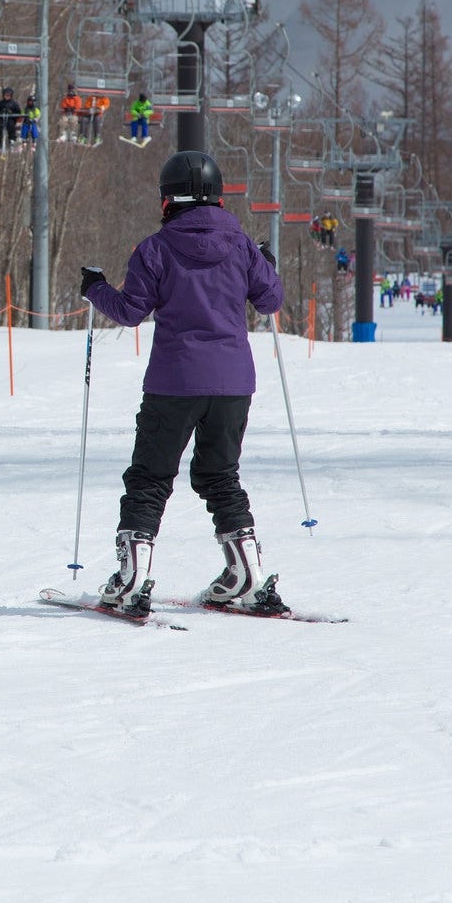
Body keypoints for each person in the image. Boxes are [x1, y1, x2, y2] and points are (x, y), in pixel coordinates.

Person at [79, 150, 284, 617]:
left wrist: (94, 286)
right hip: (233, 383)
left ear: (168, 197)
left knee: (150, 478)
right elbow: (270, 300)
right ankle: (246, 576)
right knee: (219, 476)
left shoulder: (156, 247)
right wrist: (264, 262)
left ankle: (131, 582)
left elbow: (131, 311)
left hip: (174, 381)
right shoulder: (241, 245)